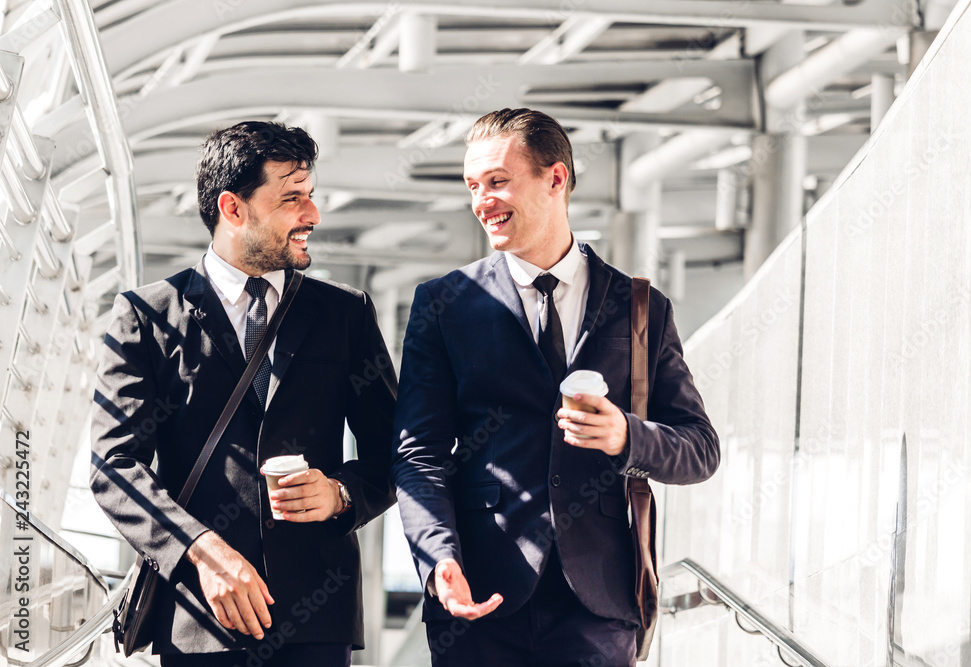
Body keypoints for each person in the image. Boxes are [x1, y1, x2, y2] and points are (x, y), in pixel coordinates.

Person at [390, 108, 720, 666]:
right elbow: (418, 454)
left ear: (556, 178)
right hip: (478, 594)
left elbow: (700, 449)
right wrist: (437, 557)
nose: (481, 201)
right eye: (473, 186)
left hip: (598, 603)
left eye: (497, 181)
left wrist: (626, 435)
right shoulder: (444, 303)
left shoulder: (639, 307)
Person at [91, 121, 397, 666]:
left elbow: (396, 447)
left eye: (311, 196)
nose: (313, 215)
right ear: (233, 209)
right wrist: (200, 552)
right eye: (292, 199)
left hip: (316, 623)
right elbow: (114, 466)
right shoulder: (145, 316)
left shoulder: (344, 313)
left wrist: (341, 493)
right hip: (199, 619)